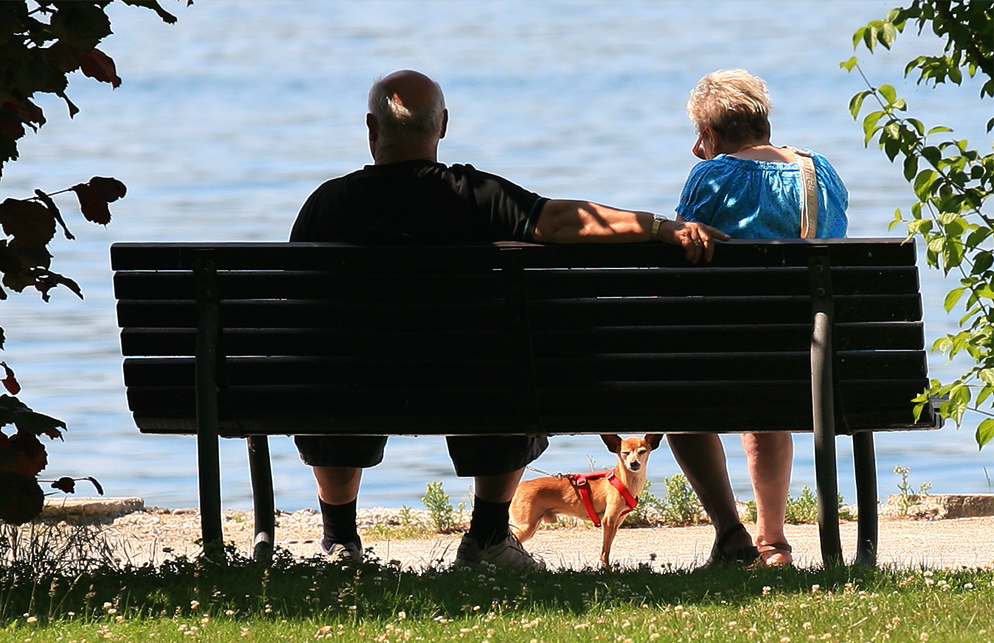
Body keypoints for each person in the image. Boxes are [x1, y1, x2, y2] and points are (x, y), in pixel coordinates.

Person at [289, 69, 728, 569]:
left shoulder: (326, 204)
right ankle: (488, 538)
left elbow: (301, 311)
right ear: (443, 126)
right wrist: (657, 227)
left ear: (371, 129)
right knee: (510, 368)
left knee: (334, 368)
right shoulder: (474, 195)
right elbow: (562, 221)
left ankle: (341, 541)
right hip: (471, 388)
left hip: (353, 388)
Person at [667, 69, 848, 568]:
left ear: (711, 135)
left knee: (674, 398)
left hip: (732, 351)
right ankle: (773, 543)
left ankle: (731, 533)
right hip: (816, 359)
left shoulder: (712, 175)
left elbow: (687, 249)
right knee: (771, 380)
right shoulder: (822, 171)